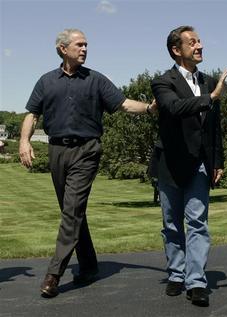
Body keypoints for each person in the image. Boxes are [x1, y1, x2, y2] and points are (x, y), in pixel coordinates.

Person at [19, 28, 157, 298]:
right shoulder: (46, 81)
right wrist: (24, 142)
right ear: (63, 49)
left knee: (71, 211)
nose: (84, 49)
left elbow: (124, 104)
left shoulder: (95, 80)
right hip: (57, 151)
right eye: (79, 45)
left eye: (86, 45)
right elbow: (32, 114)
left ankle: (54, 274)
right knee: (72, 211)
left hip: (87, 151)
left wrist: (150, 108)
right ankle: (90, 265)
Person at [150, 26, 227, 307]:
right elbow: (173, 108)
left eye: (200, 41)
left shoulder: (208, 82)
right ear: (176, 49)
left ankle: (196, 281)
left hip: (200, 165)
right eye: (192, 42)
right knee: (171, 224)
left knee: (197, 223)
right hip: (169, 163)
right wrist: (211, 98)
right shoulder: (162, 82)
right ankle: (175, 273)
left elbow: (213, 128)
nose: (200, 46)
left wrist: (217, 160)